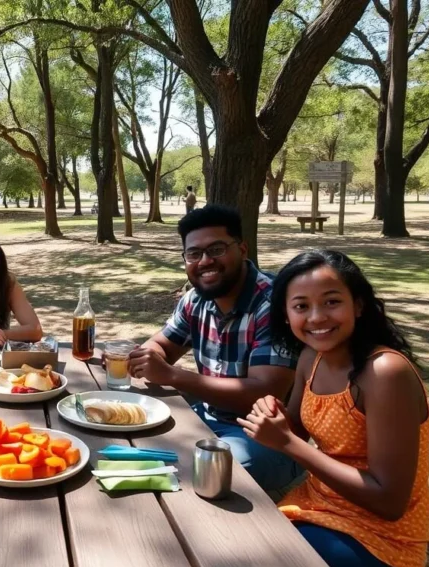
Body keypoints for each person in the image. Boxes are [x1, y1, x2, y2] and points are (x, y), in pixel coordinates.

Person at [238, 250, 429, 567]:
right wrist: (274, 414)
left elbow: (389, 501)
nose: (316, 317)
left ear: (358, 305)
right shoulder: (311, 357)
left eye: (331, 302)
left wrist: (286, 443)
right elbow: (296, 426)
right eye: (301, 306)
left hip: (381, 540)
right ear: (286, 314)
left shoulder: (385, 372)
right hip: (316, 507)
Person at [127, 205, 302, 494]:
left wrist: (173, 376)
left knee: (212, 471)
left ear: (243, 249)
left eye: (217, 249)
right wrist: (146, 357)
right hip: (204, 418)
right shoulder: (196, 299)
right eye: (194, 254)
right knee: (136, 442)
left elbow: (262, 394)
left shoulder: (274, 304)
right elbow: (160, 345)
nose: (205, 261)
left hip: (265, 437)